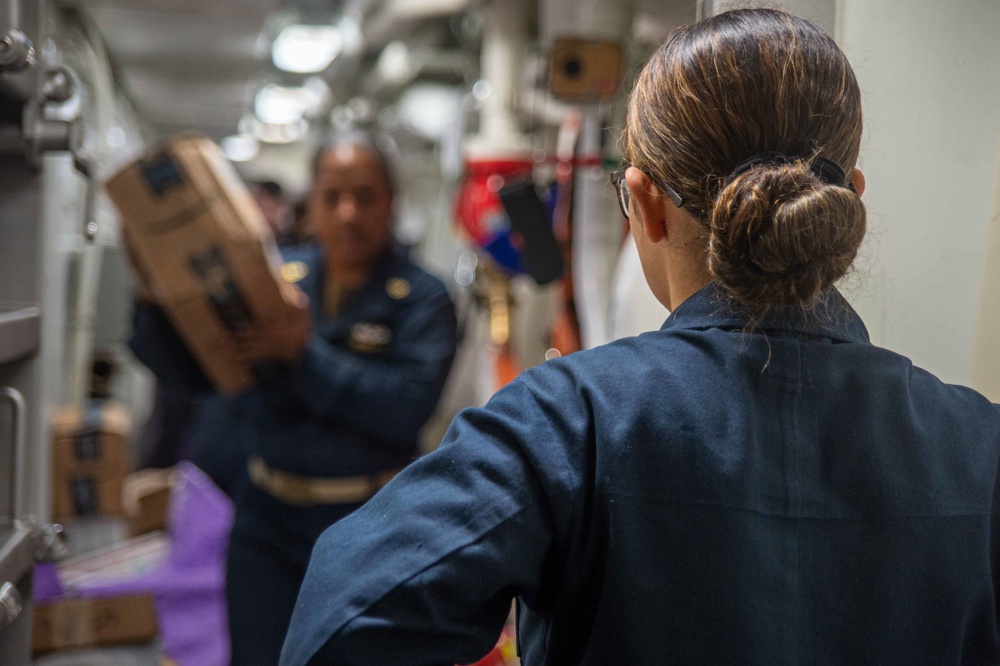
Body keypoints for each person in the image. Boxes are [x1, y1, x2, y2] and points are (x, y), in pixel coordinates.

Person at [281, 9, 1000, 666]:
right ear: (853, 202)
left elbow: (343, 627)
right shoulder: (981, 446)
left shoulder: (569, 422)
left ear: (645, 205)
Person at [128, 131, 458, 665]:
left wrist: (303, 355)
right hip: (266, 528)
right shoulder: (276, 278)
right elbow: (198, 375)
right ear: (314, 203)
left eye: (365, 196)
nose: (348, 213)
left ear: (391, 204)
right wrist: (152, 296)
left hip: (365, 528)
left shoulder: (423, 298)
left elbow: (403, 407)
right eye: (333, 196)